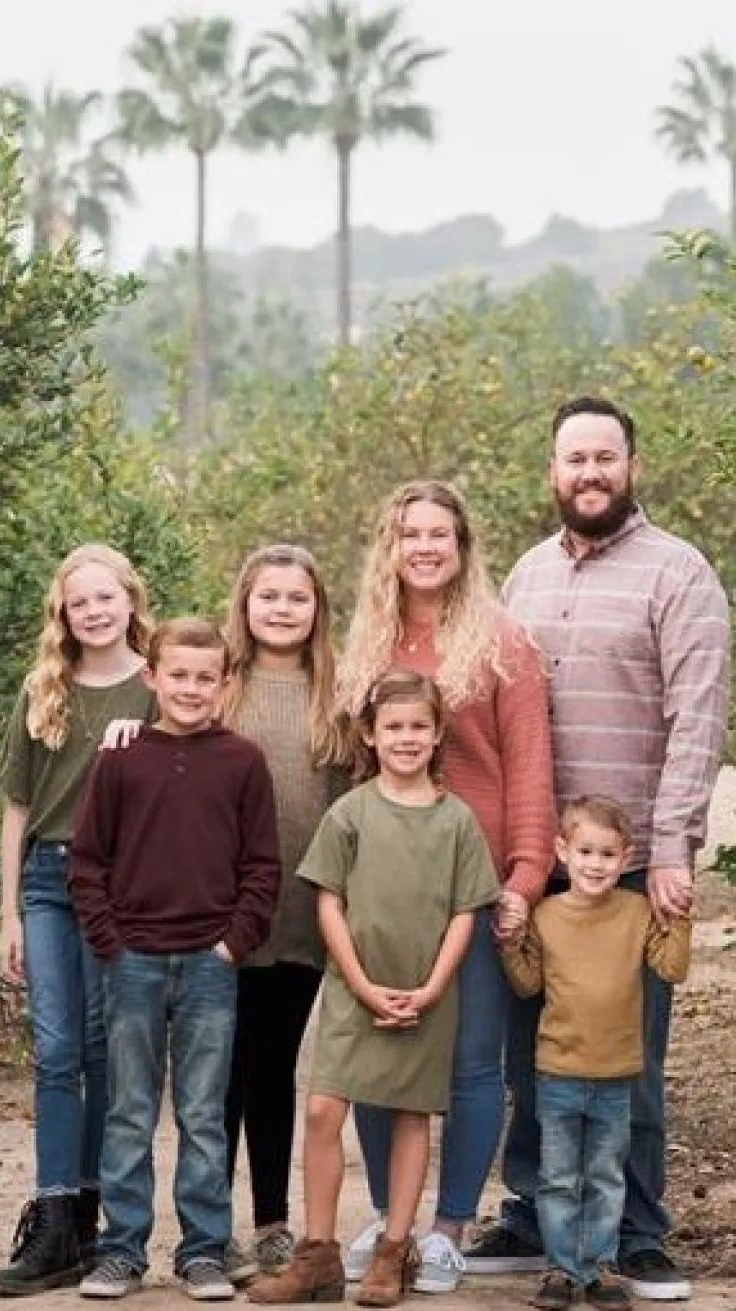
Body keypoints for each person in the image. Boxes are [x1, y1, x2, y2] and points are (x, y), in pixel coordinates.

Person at [464, 396, 730, 1302]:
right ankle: (537, 1212)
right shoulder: (527, 577)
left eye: (604, 457)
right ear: (552, 470)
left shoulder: (679, 574)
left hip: (633, 872)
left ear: (631, 465)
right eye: (574, 458)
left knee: (629, 1055)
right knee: (532, 1049)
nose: (589, 473)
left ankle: (637, 1229)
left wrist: (673, 847)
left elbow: (698, 717)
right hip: (538, 865)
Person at [337, 481, 557, 1294]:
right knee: (380, 1057)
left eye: (440, 533)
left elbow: (532, 770)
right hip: (386, 889)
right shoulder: (366, 642)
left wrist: (525, 878)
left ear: (463, 545)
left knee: (471, 1064)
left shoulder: (503, 642)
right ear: (389, 548)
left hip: (478, 883)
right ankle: (390, 1220)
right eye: (409, 533)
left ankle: (447, 1226)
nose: (425, 547)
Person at [248, 670, 501, 1309]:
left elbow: (465, 914)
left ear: (438, 733)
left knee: (412, 1115)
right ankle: (319, 1256)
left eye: (419, 727)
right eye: (394, 727)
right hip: (352, 989)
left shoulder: (456, 821)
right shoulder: (351, 812)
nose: (407, 738)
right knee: (322, 1111)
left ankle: (394, 1251)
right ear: (370, 733)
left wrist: (432, 987)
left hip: (425, 994)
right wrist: (360, 983)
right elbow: (329, 903)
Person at [68, 617, 282, 1301]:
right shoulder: (121, 758)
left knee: (203, 1111)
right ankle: (122, 1251)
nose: (191, 688)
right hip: (131, 960)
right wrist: (110, 940)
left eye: (205, 677)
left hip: (209, 964)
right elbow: (87, 861)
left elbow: (262, 865)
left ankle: (203, 1251)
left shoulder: (243, 760)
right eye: (179, 675)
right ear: (152, 677)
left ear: (224, 683)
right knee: (130, 1109)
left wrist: (232, 943)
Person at [0, 544, 154, 1298]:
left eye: (104, 597)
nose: (93, 611)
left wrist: (146, 743)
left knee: (102, 1049)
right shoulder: (43, 689)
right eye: (78, 601)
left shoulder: (156, 687)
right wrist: (9, 911)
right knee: (56, 1047)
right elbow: (17, 808)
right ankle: (53, 1215)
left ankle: (89, 1212)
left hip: (119, 883)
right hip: (50, 881)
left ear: (129, 599)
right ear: (64, 613)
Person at [500, 796, 691, 1311]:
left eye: (608, 855)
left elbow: (671, 969)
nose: (595, 864)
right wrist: (511, 942)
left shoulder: (636, 912)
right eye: (585, 851)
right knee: (559, 1177)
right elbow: (526, 984)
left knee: (605, 1176)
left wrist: (680, 916)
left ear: (627, 859)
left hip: (616, 1075)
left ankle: (599, 1266)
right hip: (558, 1073)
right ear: (562, 851)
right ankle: (562, 1270)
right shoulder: (547, 915)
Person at [220, 545, 345, 1280]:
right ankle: (210, 1222)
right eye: (268, 595)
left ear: (317, 610)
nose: (281, 608)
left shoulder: (333, 692)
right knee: (219, 1076)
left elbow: (347, 806)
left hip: (301, 913)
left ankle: (271, 1222)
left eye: (297, 598)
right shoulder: (220, 687)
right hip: (224, 913)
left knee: (273, 1069)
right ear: (244, 603)